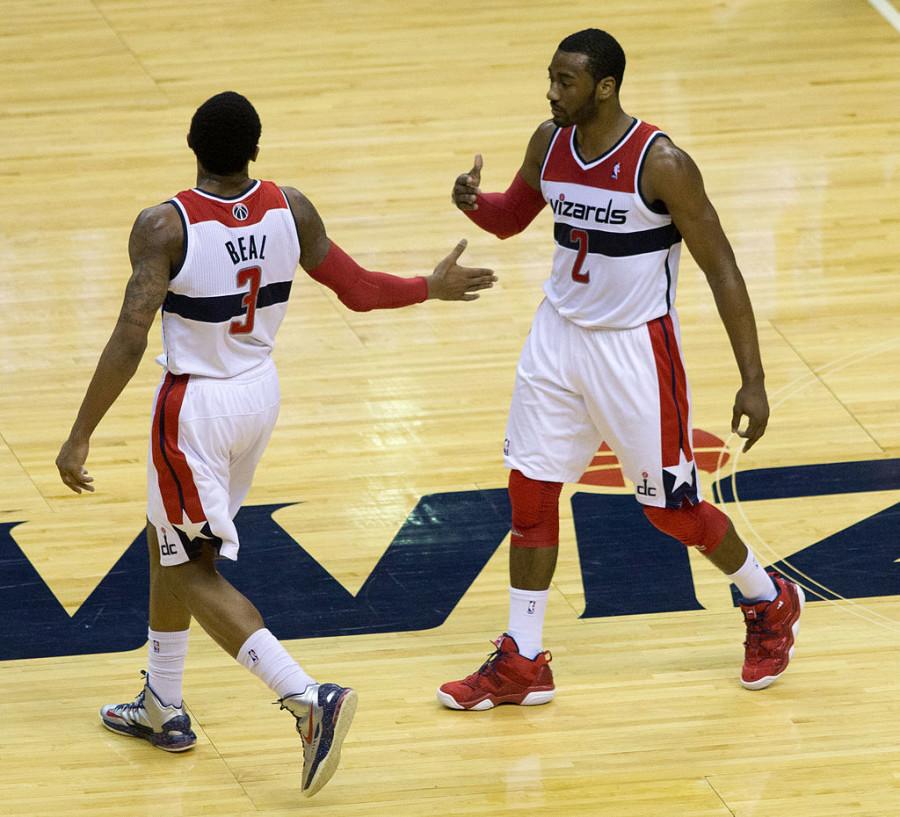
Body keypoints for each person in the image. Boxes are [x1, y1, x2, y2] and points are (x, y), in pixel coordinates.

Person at [55, 91, 496, 796]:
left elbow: (131, 333)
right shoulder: (291, 207)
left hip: (194, 404)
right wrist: (429, 286)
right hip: (257, 394)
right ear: (256, 150)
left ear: (191, 144)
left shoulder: (165, 225)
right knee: (170, 537)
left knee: (192, 565)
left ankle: (305, 696)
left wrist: (80, 433)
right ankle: (162, 702)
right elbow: (356, 288)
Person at [436, 29, 804, 712]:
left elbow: (720, 263)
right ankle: (522, 659)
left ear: (605, 86)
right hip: (557, 337)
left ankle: (768, 596)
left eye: (566, 81)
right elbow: (515, 215)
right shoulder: (549, 140)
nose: (552, 92)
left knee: (673, 511)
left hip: (634, 350)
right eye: (550, 77)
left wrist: (752, 377)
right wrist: (474, 205)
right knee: (531, 490)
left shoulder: (661, 162)